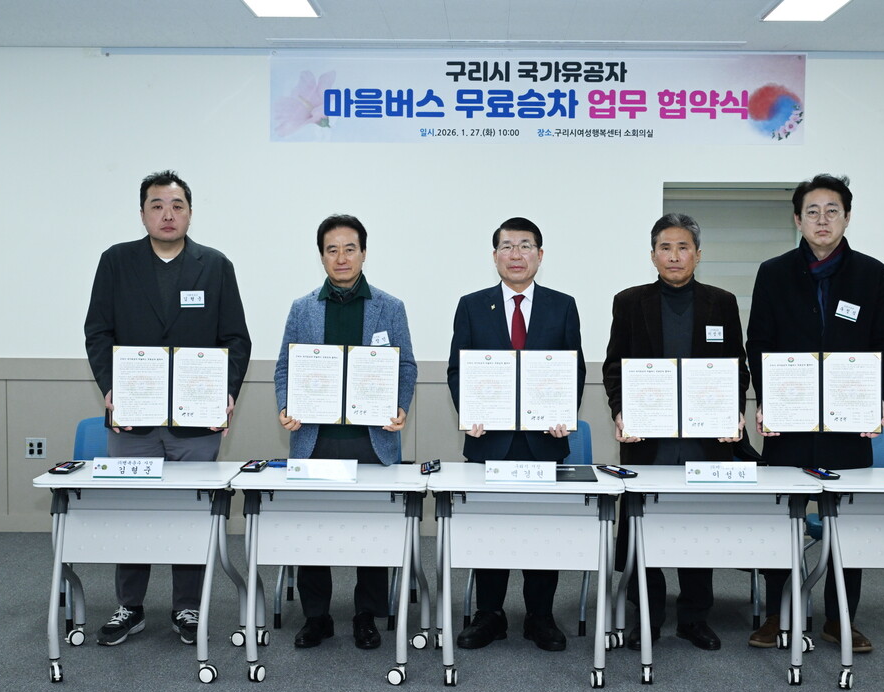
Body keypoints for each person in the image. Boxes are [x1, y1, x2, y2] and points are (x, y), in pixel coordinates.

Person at [84, 169, 252, 646]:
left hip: (196, 422)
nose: (167, 214)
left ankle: (187, 607)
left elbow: (235, 338)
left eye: (177, 206)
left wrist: (227, 392)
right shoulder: (116, 262)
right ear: (142, 214)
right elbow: (98, 331)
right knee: (133, 512)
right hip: (133, 417)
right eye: (157, 206)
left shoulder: (215, 265)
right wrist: (111, 388)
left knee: (191, 513)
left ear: (190, 213)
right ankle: (130, 606)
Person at [746, 174, 884, 653]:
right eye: (812, 211)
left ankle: (840, 619)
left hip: (847, 423)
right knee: (781, 520)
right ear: (797, 220)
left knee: (845, 523)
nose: (822, 220)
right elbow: (759, 342)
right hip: (788, 423)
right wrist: (767, 401)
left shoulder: (871, 274)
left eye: (832, 210)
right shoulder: (773, 272)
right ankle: (779, 614)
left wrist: (876, 398)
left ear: (847, 218)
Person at [601, 213, 749, 652]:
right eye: (665, 248)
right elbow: (614, 366)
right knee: (642, 529)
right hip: (649, 442)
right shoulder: (629, 302)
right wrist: (621, 411)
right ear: (652, 255)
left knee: (696, 528)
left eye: (683, 247)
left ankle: (694, 618)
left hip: (705, 442)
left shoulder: (722, 302)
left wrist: (734, 413)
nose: (674, 256)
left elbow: (736, 368)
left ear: (698, 255)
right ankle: (645, 617)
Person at [274, 214, 417, 651]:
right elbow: (285, 367)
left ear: (364, 253)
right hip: (316, 440)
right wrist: (286, 406)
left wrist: (399, 406)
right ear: (321, 256)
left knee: (371, 531)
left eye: (349, 249)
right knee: (312, 531)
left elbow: (406, 366)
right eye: (332, 250)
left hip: (371, 441)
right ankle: (316, 617)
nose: (341, 258)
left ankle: (366, 615)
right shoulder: (302, 308)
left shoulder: (389, 307)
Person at [446, 216, 586, 652]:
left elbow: (574, 369)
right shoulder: (472, 305)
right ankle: (490, 614)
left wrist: (565, 413)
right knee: (490, 530)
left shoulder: (562, 305)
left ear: (540, 256)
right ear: (495, 257)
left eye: (525, 246)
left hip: (544, 441)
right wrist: (470, 412)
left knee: (542, 532)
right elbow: (457, 370)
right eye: (507, 246)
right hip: (490, 440)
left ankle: (539, 616)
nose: (516, 254)